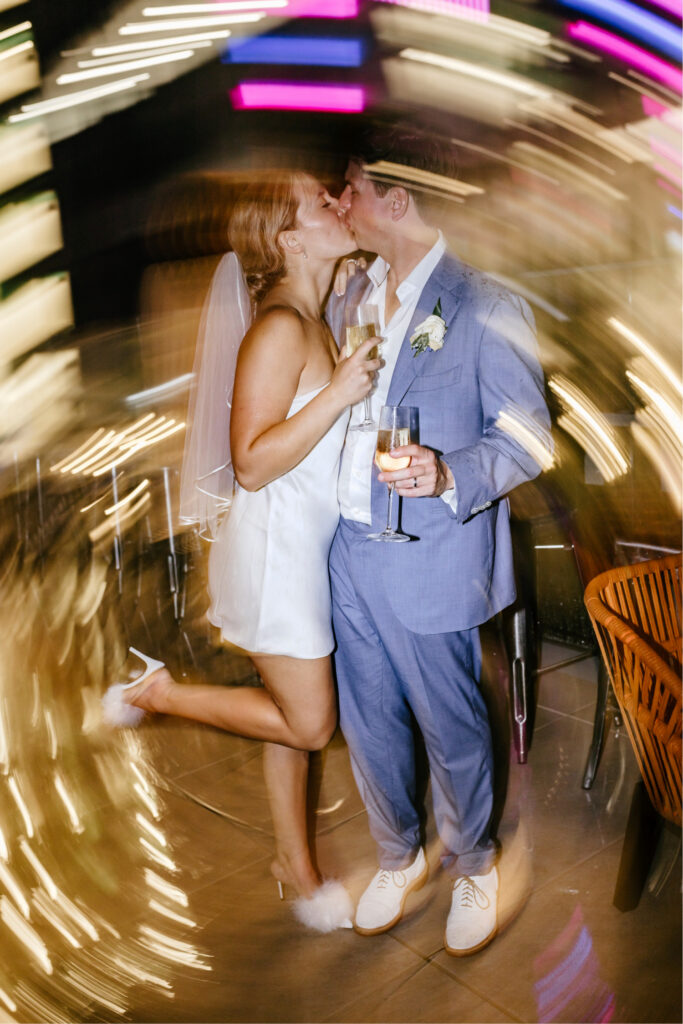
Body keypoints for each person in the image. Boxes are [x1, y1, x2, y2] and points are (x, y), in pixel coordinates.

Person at [105, 170, 380, 932]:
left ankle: (297, 868)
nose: (337, 204)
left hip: (299, 549)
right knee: (308, 723)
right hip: (276, 557)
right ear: (288, 238)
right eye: (320, 203)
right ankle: (157, 695)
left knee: (282, 717)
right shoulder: (280, 328)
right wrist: (338, 394)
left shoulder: (313, 315)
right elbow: (251, 462)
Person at [326, 128, 552, 955]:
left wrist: (450, 471)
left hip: (431, 549)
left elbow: (531, 440)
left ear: (396, 199)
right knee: (369, 720)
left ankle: (477, 863)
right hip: (346, 549)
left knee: (450, 721)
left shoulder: (487, 303)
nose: (340, 202)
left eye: (350, 188)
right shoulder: (352, 297)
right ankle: (398, 854)